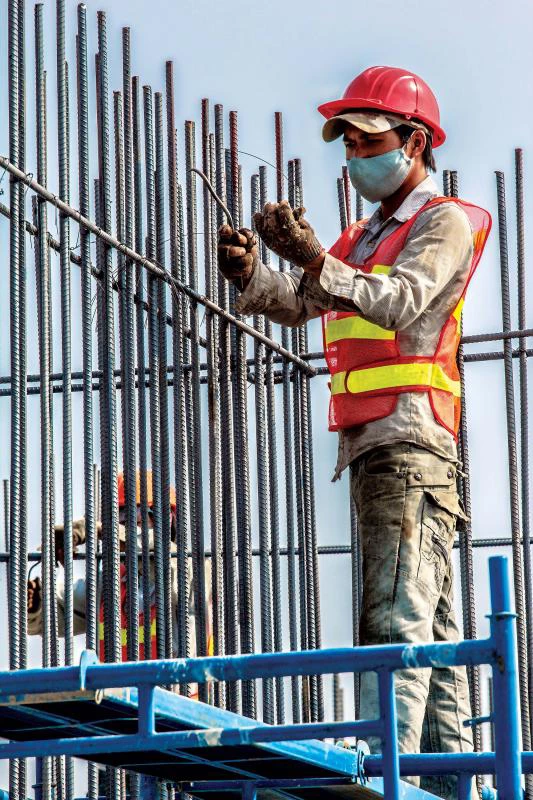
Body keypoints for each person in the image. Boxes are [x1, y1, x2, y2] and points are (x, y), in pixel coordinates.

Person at [217, 65, 491, 798]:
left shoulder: (445, 222)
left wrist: (314, 257)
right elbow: (305, 300)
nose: (356, 157)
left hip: (412, 447)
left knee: (392, 620)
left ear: (414, 140)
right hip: (374, 448)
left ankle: (384, 775)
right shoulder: (367, 232)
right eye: (347, 143)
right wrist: (252, 274)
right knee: (427, 632)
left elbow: (398, 303)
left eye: (369, 140)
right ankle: (450, 781)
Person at [28, 471, 212, 692]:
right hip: (119, 705)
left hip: (177, 703)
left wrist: (95, 529)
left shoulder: (191, 569)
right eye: (124, 518)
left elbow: (157, 552)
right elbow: (61, 610)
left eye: (144, 516)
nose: (132, 525)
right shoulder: (110, 583)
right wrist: (36, 604)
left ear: (168, 521)